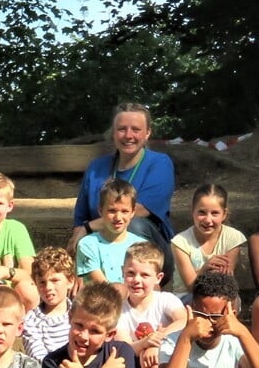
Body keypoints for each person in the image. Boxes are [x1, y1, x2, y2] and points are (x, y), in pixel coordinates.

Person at [70, 101, 175, 253]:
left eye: (136, 129)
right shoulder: (96, 168)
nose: (128, 136)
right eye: (121, 129)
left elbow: (140, 211)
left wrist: (90, 227)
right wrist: (76, 244)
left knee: (132, 224)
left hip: (150, 255)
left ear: (147, 133)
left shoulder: (160, 164)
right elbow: (80, 219)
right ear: (113, 133)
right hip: (100, 248)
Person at [117, 243, 187, 368]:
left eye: (145, 275)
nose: (136, 280)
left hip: (166, 364)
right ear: (123, 272)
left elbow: (184, 320)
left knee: (153, 355)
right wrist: (145, 343)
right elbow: (125, 349)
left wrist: (158, 339)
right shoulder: (119, 312)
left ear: (158, 278)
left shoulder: (165, 299)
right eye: (131, 273)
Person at [170, 183, 247, 295]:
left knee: (230, 300)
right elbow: (191, 287)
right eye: (202, 212)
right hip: (188, 297)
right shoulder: (180, 242)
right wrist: (204, 270)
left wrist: (198, 273)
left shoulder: (233, 238)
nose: (207, 220)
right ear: (192, 211)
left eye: (215, 213)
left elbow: (224, 280)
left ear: (224, 214)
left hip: (221, 294)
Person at [74, 178, 147, 286]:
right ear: (100, 210)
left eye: (124, 211)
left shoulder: (142, 246)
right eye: (112, 211)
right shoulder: (88, 244)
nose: (118, 217)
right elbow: (104, 287)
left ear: (133, 212)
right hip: (105, 300)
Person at [21, 246, 76, 361]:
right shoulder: (31, 320)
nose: (48, 288)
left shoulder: (80, 313)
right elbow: (38, 358)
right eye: (42, 282)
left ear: (70, 281)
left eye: (55, 280)